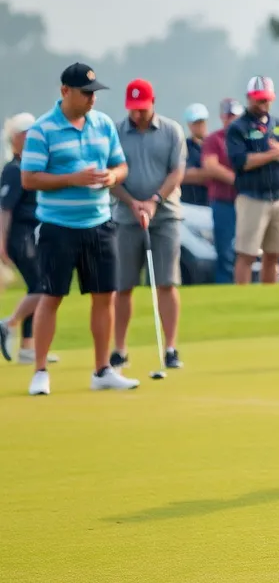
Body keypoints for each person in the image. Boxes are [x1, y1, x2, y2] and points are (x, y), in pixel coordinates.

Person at [20, 63, 139, 395]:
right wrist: (72, 179)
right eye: (86, 93)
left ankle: (102, 370)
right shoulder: (43, 129)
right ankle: (40, 371)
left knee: (105, 296)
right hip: (58, 226)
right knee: (51, 296)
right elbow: (29, 178)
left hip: (99, 223)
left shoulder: (103, 124)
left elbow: (121, 165)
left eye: (94, 93)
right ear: (65, 91)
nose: (92, 99)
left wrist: (112, 176)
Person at [108, 78, 187, 371]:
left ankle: (171, 348)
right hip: (125, 218)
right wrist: (132, 203)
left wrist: (154, 201)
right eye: (133, 108)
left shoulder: (171, 131)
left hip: (165, 217)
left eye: (142, 108)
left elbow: (177, 172)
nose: (137, 113)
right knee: (123, 285)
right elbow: (110, 175)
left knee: (166, 282)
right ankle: (120, 350)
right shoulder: (116, 131)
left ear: (153, 103)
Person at [227, 76, 279, 285]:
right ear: (249, 98)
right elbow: (240, 161)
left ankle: (268, 295)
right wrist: (272, 155)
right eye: (258, 99)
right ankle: (242, 297)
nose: (263, 103)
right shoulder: (238, 127)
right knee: (247, 254)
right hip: (252, 198)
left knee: (274, 254)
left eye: (266, 99)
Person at [1, 113, 56, 365]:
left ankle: (27, 348)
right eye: (27, 134)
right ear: (17, 138)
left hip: (33, 236)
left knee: (38, 287)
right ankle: (9, 324)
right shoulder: (14, 170)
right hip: (19, 237)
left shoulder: (32, 167)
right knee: (42, 287)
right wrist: (1, 244)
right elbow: (5, 210)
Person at [201, 98, 243, 284]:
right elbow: (210, 166)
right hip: (223, 202)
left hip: (247, 201)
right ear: (222, 117)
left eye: (235, 116)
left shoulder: (246, 138)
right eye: (228, 116)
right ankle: (226, 286)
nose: (232, 119)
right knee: (225, 252)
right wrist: (240, 181)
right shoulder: (214, 139)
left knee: (246, 251)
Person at [181, 103, 210, 207]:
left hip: (210, 203)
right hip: (189, 204)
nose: (200, 126)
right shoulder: (183, 146)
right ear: (189, 124)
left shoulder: (214, 145)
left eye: (201, 122)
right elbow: (182, 175)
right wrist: (213, 174)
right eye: (196, 123)